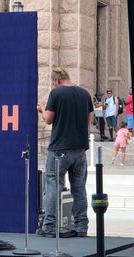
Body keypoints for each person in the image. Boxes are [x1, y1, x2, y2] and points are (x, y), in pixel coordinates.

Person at [36, 67, 92, 238]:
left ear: (57, 81)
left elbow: (48, 119)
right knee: (79, 188)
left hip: (60, 148)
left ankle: (50, 226)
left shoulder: (57, 94)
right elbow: (89, 118)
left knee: (53, 186)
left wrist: (41, 109)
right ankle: (81, 226)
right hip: (80, 149)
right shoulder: (84, 94)